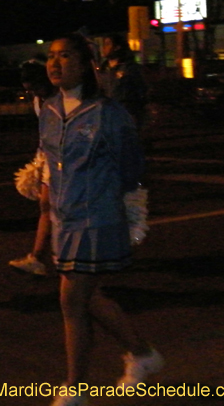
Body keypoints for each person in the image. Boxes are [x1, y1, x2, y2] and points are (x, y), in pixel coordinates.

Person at [39, 34, 163, 406]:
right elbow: (49, 163)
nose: (55, 63)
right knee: (90, 298)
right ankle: (143, 353)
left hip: (97, 218)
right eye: (51, 56)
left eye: (65, 56)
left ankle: (75, 388)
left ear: (84, 63)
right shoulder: (47, 109)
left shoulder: (108, 113)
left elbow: (131, 168)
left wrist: (128, 212)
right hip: (65, 220)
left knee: (72, 301)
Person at [9, 59, 55, 275]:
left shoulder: (61, 98)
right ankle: (38, 257)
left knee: (54, 207)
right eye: (29, 90)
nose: (33, 93)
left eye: (36, 87)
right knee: (47, 206)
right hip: (49, 157)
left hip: (66, 159)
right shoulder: (39, 100)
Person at [98, 33, 148, 130]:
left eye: (108, 44)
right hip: (107, 116)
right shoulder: (103, 70)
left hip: (126, 116)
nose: (104, 47)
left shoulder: (129, 68)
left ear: (117, 47)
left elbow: (141, 91)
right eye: (104, 44)